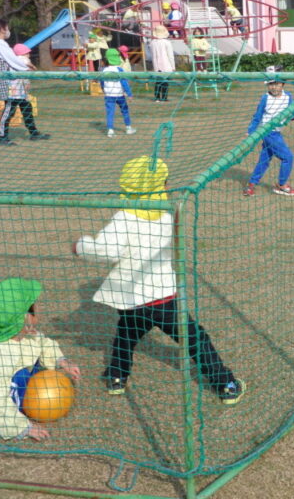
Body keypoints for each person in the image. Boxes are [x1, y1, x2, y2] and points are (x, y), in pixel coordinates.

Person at [72, 156, 244, 404]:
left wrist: (81, 246)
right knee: (195, 340)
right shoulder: (166, 213)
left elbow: (106, 250)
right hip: (163, 300)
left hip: (133, 302)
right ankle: (226, 385)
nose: (167, 185)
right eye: (164, 182)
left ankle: (116, 377)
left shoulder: (126, 217)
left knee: (126, 336)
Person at [0, 278, 81, 441]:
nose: (39, 308)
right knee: (21, 376)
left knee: (33, 359)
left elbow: (42, 343)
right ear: (26, 317)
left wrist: (62, 361)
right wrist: (23, 427)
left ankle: (22, 392)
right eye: (35, 305)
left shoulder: (18, 332)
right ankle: (19, 413)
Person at [0, 18, 49, 146]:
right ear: (2, 29)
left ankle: (34, 133)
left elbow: (13, 60)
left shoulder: (2, 44)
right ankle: (3, 137)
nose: (8, 30)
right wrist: (26, 67)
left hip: (17, 84)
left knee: (26, 107)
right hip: (9, 84)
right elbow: (12, 60)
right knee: (9, 110)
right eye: (7, 27)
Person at [243, 73, 294, 197]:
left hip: (277, 131)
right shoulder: (265, 98)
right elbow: (257, 116)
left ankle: (251, 184)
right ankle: (282, 185)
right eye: (270, 84)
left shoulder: (288, 96)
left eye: (276, 84)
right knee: (288, 157)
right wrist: (250, 131)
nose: (273, 87)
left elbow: (293, 110)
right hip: (268, 132)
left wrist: (293, 115)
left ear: (282, 84)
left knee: (265, 159)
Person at [100, 48, 136, 138]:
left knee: (110, 112)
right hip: (119, 95)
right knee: (125, 110)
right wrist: (129, 94)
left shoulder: (104, 71)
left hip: (109, 95)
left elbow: (102, 82)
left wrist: (103, 89)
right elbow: (124, 83)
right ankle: (128, 128)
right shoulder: (119, 70)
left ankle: (110, 130)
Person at [150, 25, 175, 103]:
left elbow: (153, 55)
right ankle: (164, 97)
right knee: (165, 82)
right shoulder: (167, 42)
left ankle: (157, 97)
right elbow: (170, 55)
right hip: (166, 64)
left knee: (158, 82)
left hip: (156, 65)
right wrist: (173, 66)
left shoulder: (152, 43)